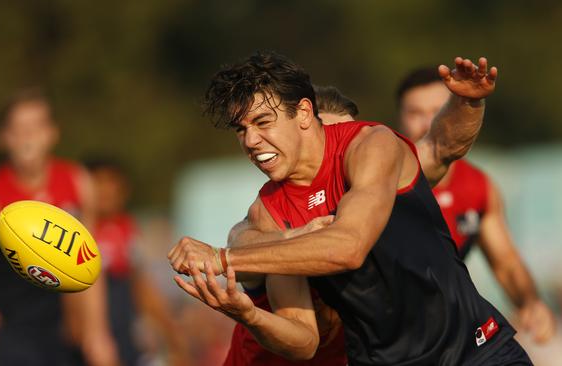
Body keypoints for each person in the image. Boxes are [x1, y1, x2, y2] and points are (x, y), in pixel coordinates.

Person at [169, 51, 533, 365]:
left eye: (262, 122)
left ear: (304, 113)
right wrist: (249, 315)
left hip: (477, 353)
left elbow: (348, 247)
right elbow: (303, 340)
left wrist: (223, 258)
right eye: (241, 129)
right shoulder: (269, 211)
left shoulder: (370, 144)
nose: (250, 140)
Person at [0, 89, 119, 366]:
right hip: (7, 334)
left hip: (60, 335)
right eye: (19, 129)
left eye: (36, 127)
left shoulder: (76, 181)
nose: (28, 138)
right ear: (3, 138)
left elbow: (90, 267)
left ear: (52, 132)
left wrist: (97, 331)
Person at [396, 67, 556, 344]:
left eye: (437, 110)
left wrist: (530, 303)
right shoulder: (379, 182)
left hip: (443, 334)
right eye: (415, 113)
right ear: (399, 119)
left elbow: (505, 261)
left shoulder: (478, 186)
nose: (427, 123)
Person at [85, 158, 190, 366]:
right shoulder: (74, 233)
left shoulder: (126, 229)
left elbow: (142, 285)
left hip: (124, 336)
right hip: (89, 341)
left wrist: (171, 335)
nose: (106, 191)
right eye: (98, 183)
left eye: (112, 183)